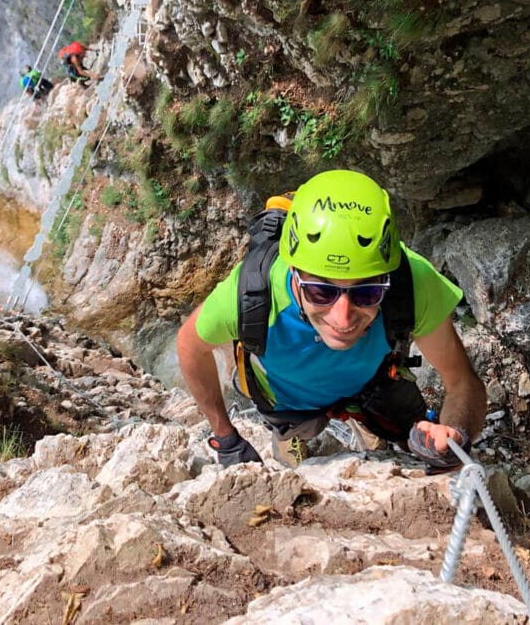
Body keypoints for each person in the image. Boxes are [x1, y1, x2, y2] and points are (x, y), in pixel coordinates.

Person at [176, 169, 486, 471]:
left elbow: (461, 381)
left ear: (386, 277)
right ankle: (292, 436)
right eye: (321, 292)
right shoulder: (250, 294)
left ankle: (365, 426)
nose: (343, 317)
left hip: (373, 386)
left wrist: (455, 432)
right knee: (300, 429)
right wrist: (225, 436)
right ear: (294, 274)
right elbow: (190, 346)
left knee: (417, 438)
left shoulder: (412, 282)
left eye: (366, 293)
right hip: (291, 403)